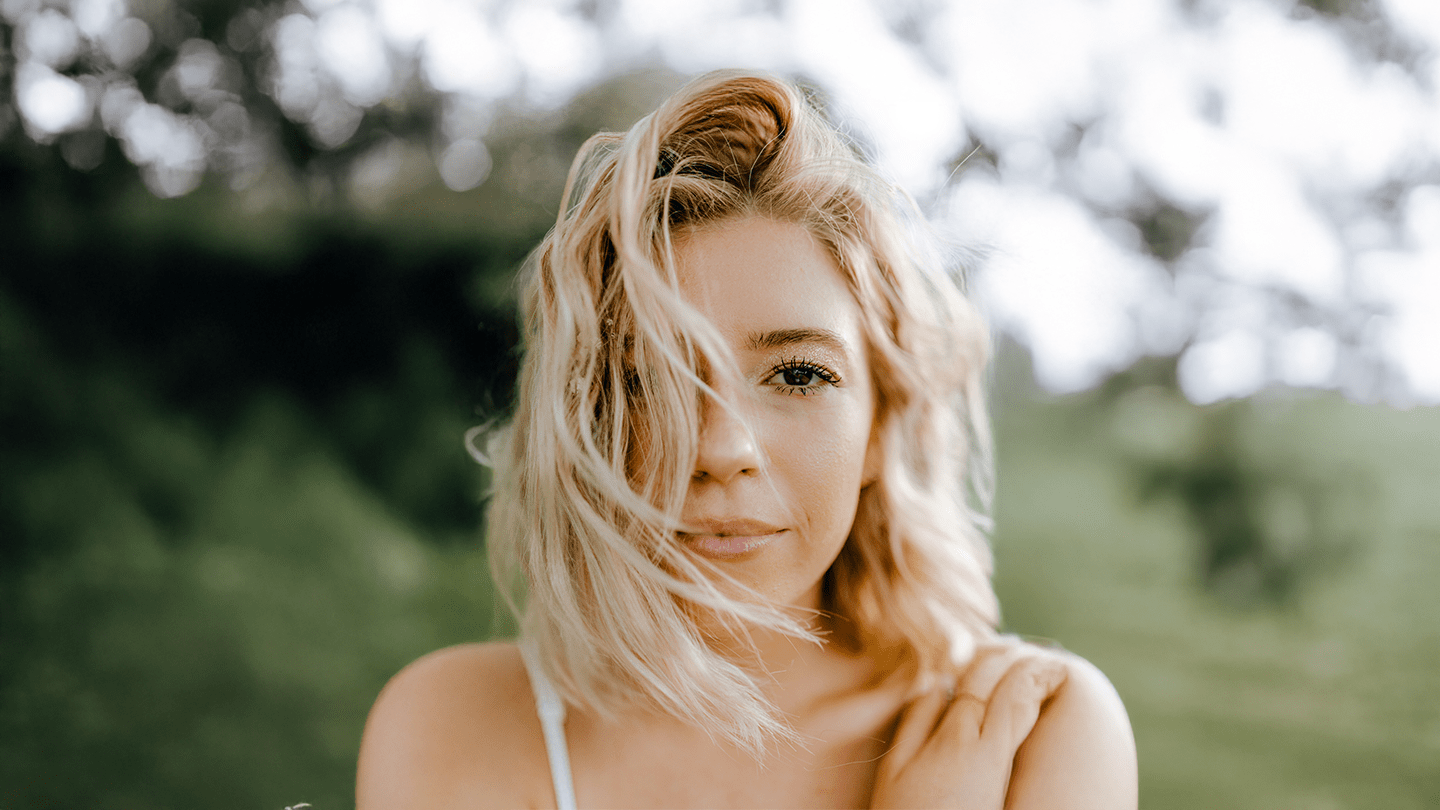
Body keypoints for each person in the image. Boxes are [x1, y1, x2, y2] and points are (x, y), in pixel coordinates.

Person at [356, 71, 1137, 808]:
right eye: (650, 378)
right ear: (586, 422)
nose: (721, 448)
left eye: (799, 375)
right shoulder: (457, 725)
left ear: (881, 425)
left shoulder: (1036, 733)